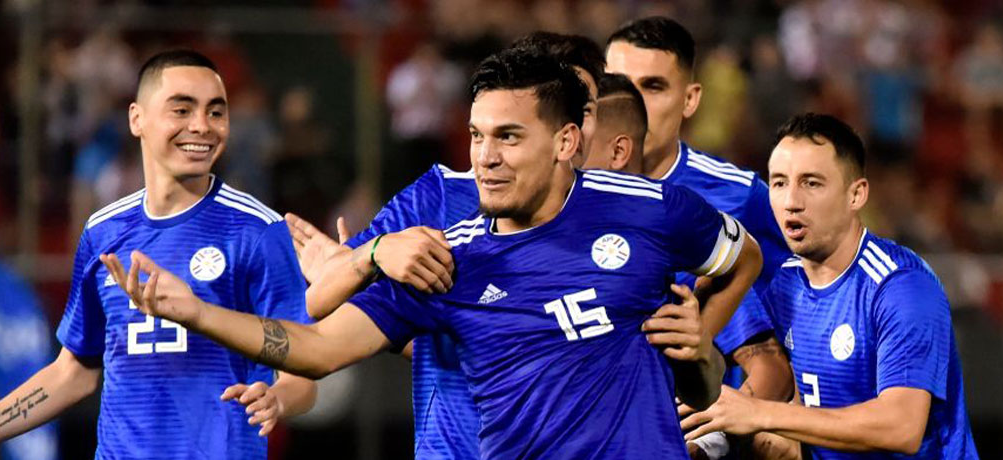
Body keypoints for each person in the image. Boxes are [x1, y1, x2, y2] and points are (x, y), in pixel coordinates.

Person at [104, 46, 762, 459]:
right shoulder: (447, 260)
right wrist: (195, 312)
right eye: (477, 136)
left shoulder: (651, 210)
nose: (486, 158)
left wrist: (699, 329)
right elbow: (314, 347)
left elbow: (742, 258)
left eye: (508, 136)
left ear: (566, 142)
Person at [0, 50, 316, 460]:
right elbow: (74, 372)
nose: (202, 125)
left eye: (216, 111)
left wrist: (279, 397)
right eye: (182, 109)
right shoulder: (104, 231)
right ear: (136, 119)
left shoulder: (258, 231)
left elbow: (304, 371)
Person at [290, 32, 612, 460]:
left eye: (585, 109)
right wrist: (369, 256)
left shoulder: (625, 215)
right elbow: (322, 301)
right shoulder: (440, 197)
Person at [681, 113, 979, 459]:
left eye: (811, 183)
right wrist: (714, 440)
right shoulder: (782, 284)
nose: (792, 200)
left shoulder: (901, 287)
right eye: (779, 183)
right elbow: (778, 380)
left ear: (856, 195)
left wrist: (759, 414)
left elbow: (901, 427)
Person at [606, 17, 798, 458]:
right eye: (619, 84)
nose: (633, 104)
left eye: (653, 87)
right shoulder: (561, 201)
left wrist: (721, 437)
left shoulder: (742, 198)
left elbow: (788, 332)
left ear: (689, 99)